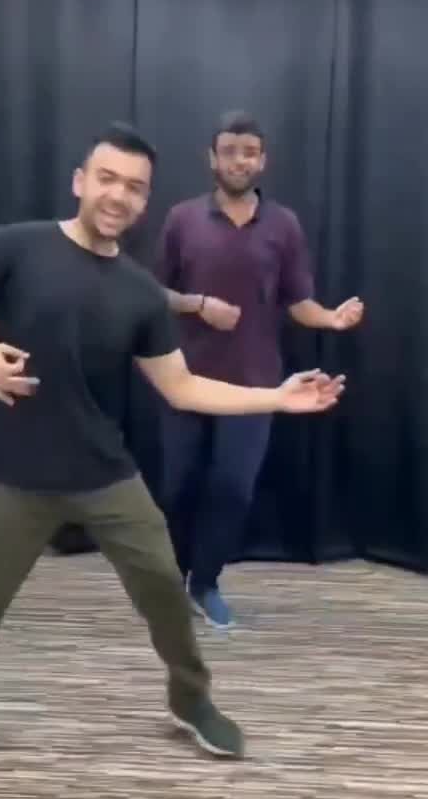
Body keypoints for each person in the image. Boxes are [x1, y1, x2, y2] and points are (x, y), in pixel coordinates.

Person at [0, 122, 345, 773]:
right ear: (80, 182)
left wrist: (276, 398)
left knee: (165, 587)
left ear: (144, 201)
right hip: (9, 477)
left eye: (134, 187)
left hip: (104, 475)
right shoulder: (17, 246)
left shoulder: (140, 293)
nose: (118, 195)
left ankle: (190, 700)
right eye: (107, 179)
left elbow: (183, 387)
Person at [156, 110, 364, 630]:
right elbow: (153, 292)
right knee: (178, 485)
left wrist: (331, 319)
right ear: (212, 158)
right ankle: (171, 577)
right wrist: (198, 305)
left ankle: (205, 582)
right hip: (186, 381)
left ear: (263, 160)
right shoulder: (182, 218)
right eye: (230, 151)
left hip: (256, 384)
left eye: (249, 152)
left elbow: (298, 301)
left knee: (233, 489)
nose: (239, 161)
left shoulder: (283, 225)